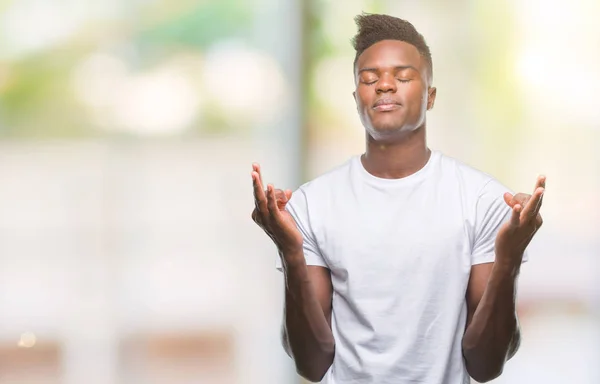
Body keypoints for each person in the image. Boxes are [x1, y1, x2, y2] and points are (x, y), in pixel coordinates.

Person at [251, 13, 545, 384]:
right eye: (369, 79)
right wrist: (290, 253)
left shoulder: (482, 200)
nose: (384, 86)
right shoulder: (312, 204)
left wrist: (509, 260)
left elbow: (486, 365)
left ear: (431, 96)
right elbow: (311, 363)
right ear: (357, 98)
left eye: (403, 77)